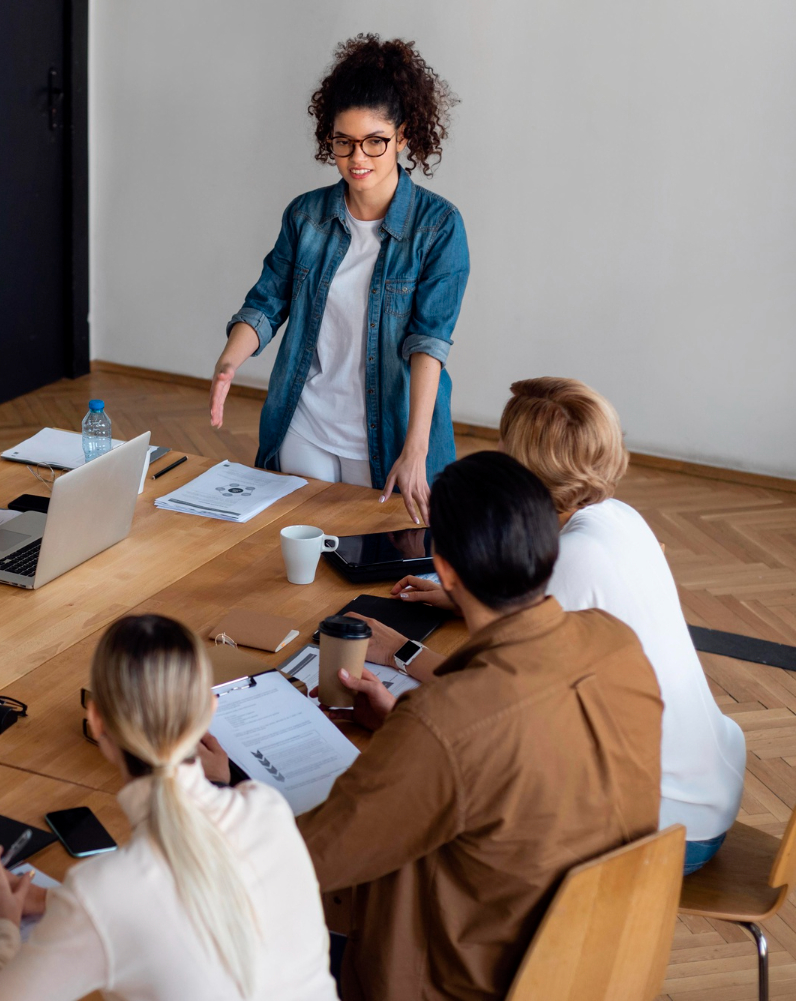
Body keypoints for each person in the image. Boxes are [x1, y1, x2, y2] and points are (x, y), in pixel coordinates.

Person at [296, 452, 663, 999]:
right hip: (601, 958)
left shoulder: (445, 724)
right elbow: (522, 735)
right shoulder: (616, 641)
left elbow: (308, 861)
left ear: (442, 568)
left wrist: (211, 784)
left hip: (466, 978)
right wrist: (410, 735)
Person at [377, 377, 745, 874]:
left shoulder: (571, 558)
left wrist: (397, 650)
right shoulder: (617, 517)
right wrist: (465, 596)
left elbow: (487, 696)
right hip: (707, 783)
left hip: (669, 827)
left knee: (455, 811)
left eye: (504, 445)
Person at [0, 614, 337, 1001]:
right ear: (209, 710)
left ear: (96, 720)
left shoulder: (103, 894)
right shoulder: (268, 808)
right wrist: (56, 903)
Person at [210, 34, 468, 524]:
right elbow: (266, 302)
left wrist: (415, 450)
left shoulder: (438, 227)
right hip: (304, 424)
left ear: (405, 135)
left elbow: (428, 345)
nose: (358, 158)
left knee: (376, 569)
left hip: (390, 433)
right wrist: (230, 360)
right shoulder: (306, 216)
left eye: (375, 141)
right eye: (343, 142)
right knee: (295, 557)